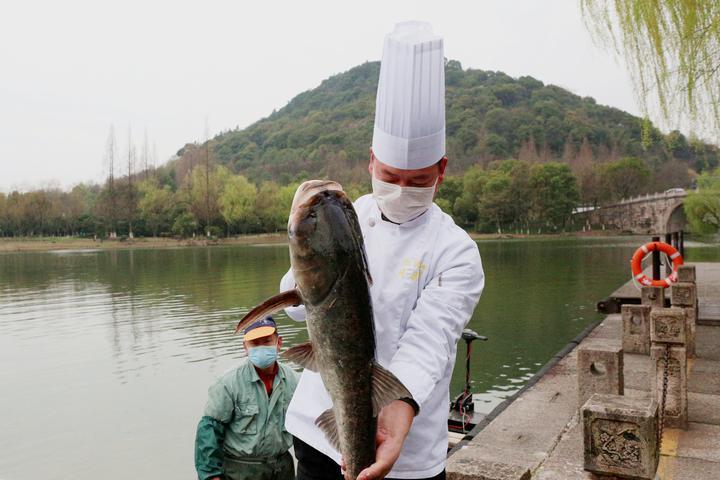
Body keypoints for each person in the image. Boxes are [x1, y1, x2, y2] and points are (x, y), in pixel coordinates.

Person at [279, 21, 485, 480]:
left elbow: (429, 341)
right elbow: (297, 311)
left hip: (406, 443)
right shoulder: (343, 222)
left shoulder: (457, 252)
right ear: (371, 160)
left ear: (442, 170)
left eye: (418, 180)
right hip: (318, 431)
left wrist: (397, 407)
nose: (401, 189)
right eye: (390, 175)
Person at [195, 316, 299, 480]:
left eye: (266, 341)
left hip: (282, 467)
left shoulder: (295, 381)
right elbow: (209, 431)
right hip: (240, 470)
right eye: (255, 343)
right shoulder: (228, 383)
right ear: (245, 347)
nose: (261, 347)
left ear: (279, 342)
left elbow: (308, 429)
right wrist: (211, 476)